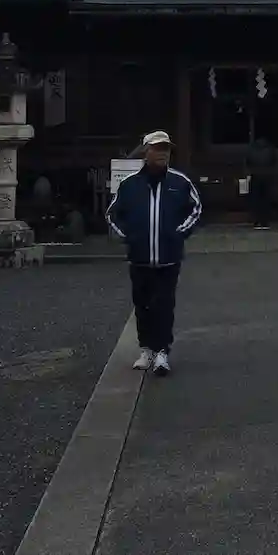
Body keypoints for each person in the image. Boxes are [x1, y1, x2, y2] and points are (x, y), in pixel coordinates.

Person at [105, 130, 203, 376]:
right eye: (158, 148)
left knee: (164, 305)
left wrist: (179, 233)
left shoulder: (180, 182)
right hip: (139, 257)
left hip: (168, 257)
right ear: (145, 152)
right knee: (142, 304)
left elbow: (196, 209)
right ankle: (146, 349)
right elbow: (113, 214)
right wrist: (128, 236)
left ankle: (162, 352)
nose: (162, 153)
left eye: (166, 149)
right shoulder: (130, 185)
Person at [245, 136, 278, 230]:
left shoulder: (251, 150)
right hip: (267, 176)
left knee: (256, 200)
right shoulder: (270, 149)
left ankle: (256, 222)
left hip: (255, 176)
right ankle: (265, 222)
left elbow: (248, 162)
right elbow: (274, 161)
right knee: (266, 200)